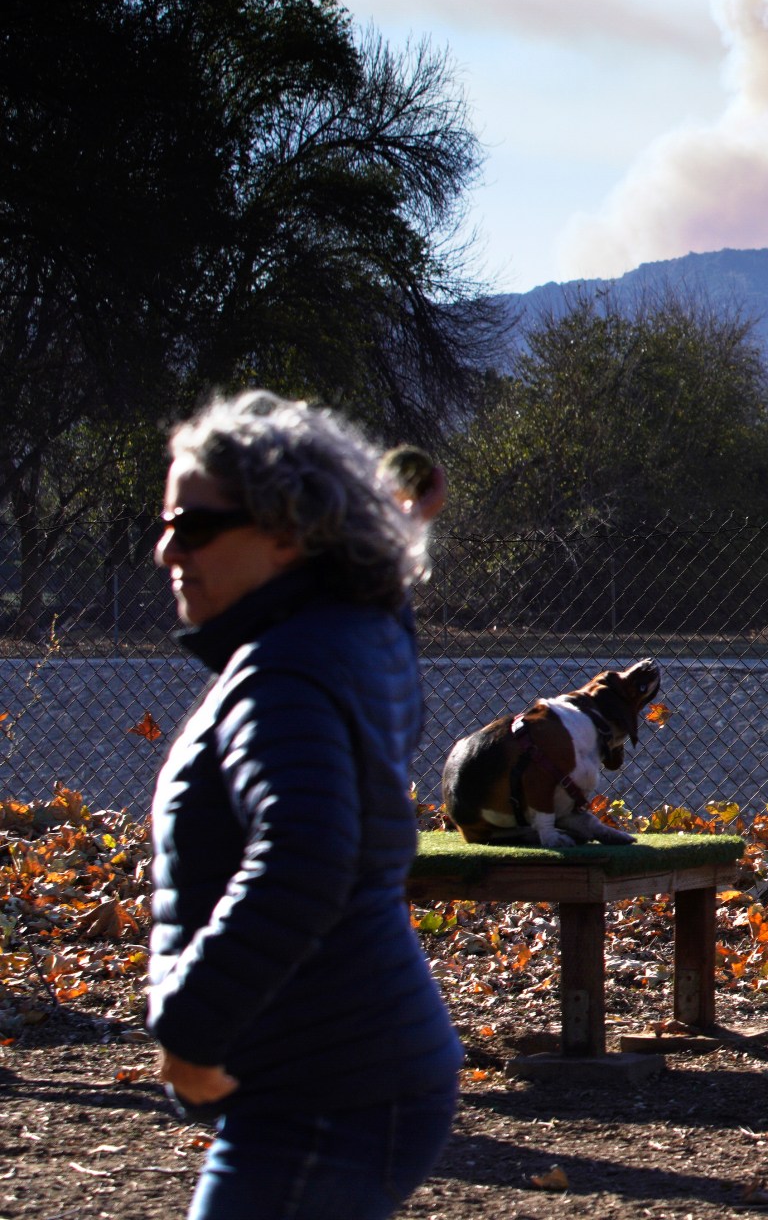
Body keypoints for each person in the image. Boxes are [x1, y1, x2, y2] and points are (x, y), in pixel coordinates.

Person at [147, 392, 462, 1219]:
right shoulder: (357, 628)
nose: (165, 551)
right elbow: (384, 591)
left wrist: (189, 1027)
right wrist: (396, 516)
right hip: (355, 1071)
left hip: (328, 1093)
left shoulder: (284, 673)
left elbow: (304, 855)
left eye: (195, 526)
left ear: (288, 534)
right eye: (169, 522)